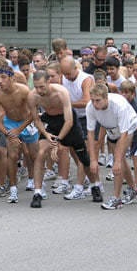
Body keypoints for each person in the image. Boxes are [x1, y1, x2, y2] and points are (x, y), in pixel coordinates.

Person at [28, 71, 92, 207]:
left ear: (48, 82)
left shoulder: (61, 92)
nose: (39, 90)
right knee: (40, 153)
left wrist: (57, 141)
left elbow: (68, 121)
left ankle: (95, 185)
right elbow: (36, 119)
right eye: (36, 87)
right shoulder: (33, 96)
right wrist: (46, 134)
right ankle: (38, 191)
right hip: (51, 122)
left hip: (67, 120)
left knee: (82, 156)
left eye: (42, 87)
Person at [85, 84, 137, 210]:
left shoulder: (119, 105)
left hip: (127, 126)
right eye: (92, 100)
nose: (94, 103)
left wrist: (118, 161)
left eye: (97, 100)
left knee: (117, 160)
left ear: (106, 98)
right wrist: (93, 160)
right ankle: (133, 188)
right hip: (111, 127)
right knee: (118, 160)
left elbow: (124, 134)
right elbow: (91, 135)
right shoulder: (90, 107)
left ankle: (116, 198)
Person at [0, 65, 39, 204]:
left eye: (3, 78)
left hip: (27, 121)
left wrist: (21, 129)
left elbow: (33, 113)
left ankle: (35, 184)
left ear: (12, 78)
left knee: (33, 155)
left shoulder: (23, 90)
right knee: (12, 155)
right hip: (10, 123)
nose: (0, 81)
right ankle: (13, 189)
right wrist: (8, 133)